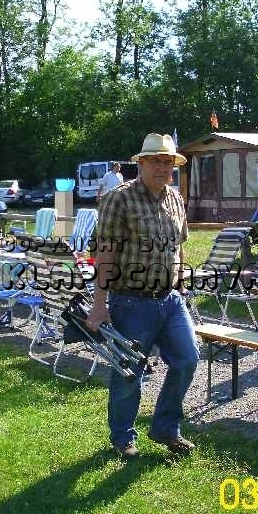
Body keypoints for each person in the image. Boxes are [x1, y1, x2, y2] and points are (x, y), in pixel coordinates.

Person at [86, 133, 198, 458]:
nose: (165, 168)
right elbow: (104, 253)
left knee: (188, 359)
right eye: (158, 161)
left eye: (169, 162)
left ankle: (165, 428)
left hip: (170, 299)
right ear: (142, 163)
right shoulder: (118, 199)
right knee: (129, 372)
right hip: (130, 301)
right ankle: (123, 437)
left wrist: (180, 281)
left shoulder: (175, 199)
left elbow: (180, 244)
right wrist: (98, 305)